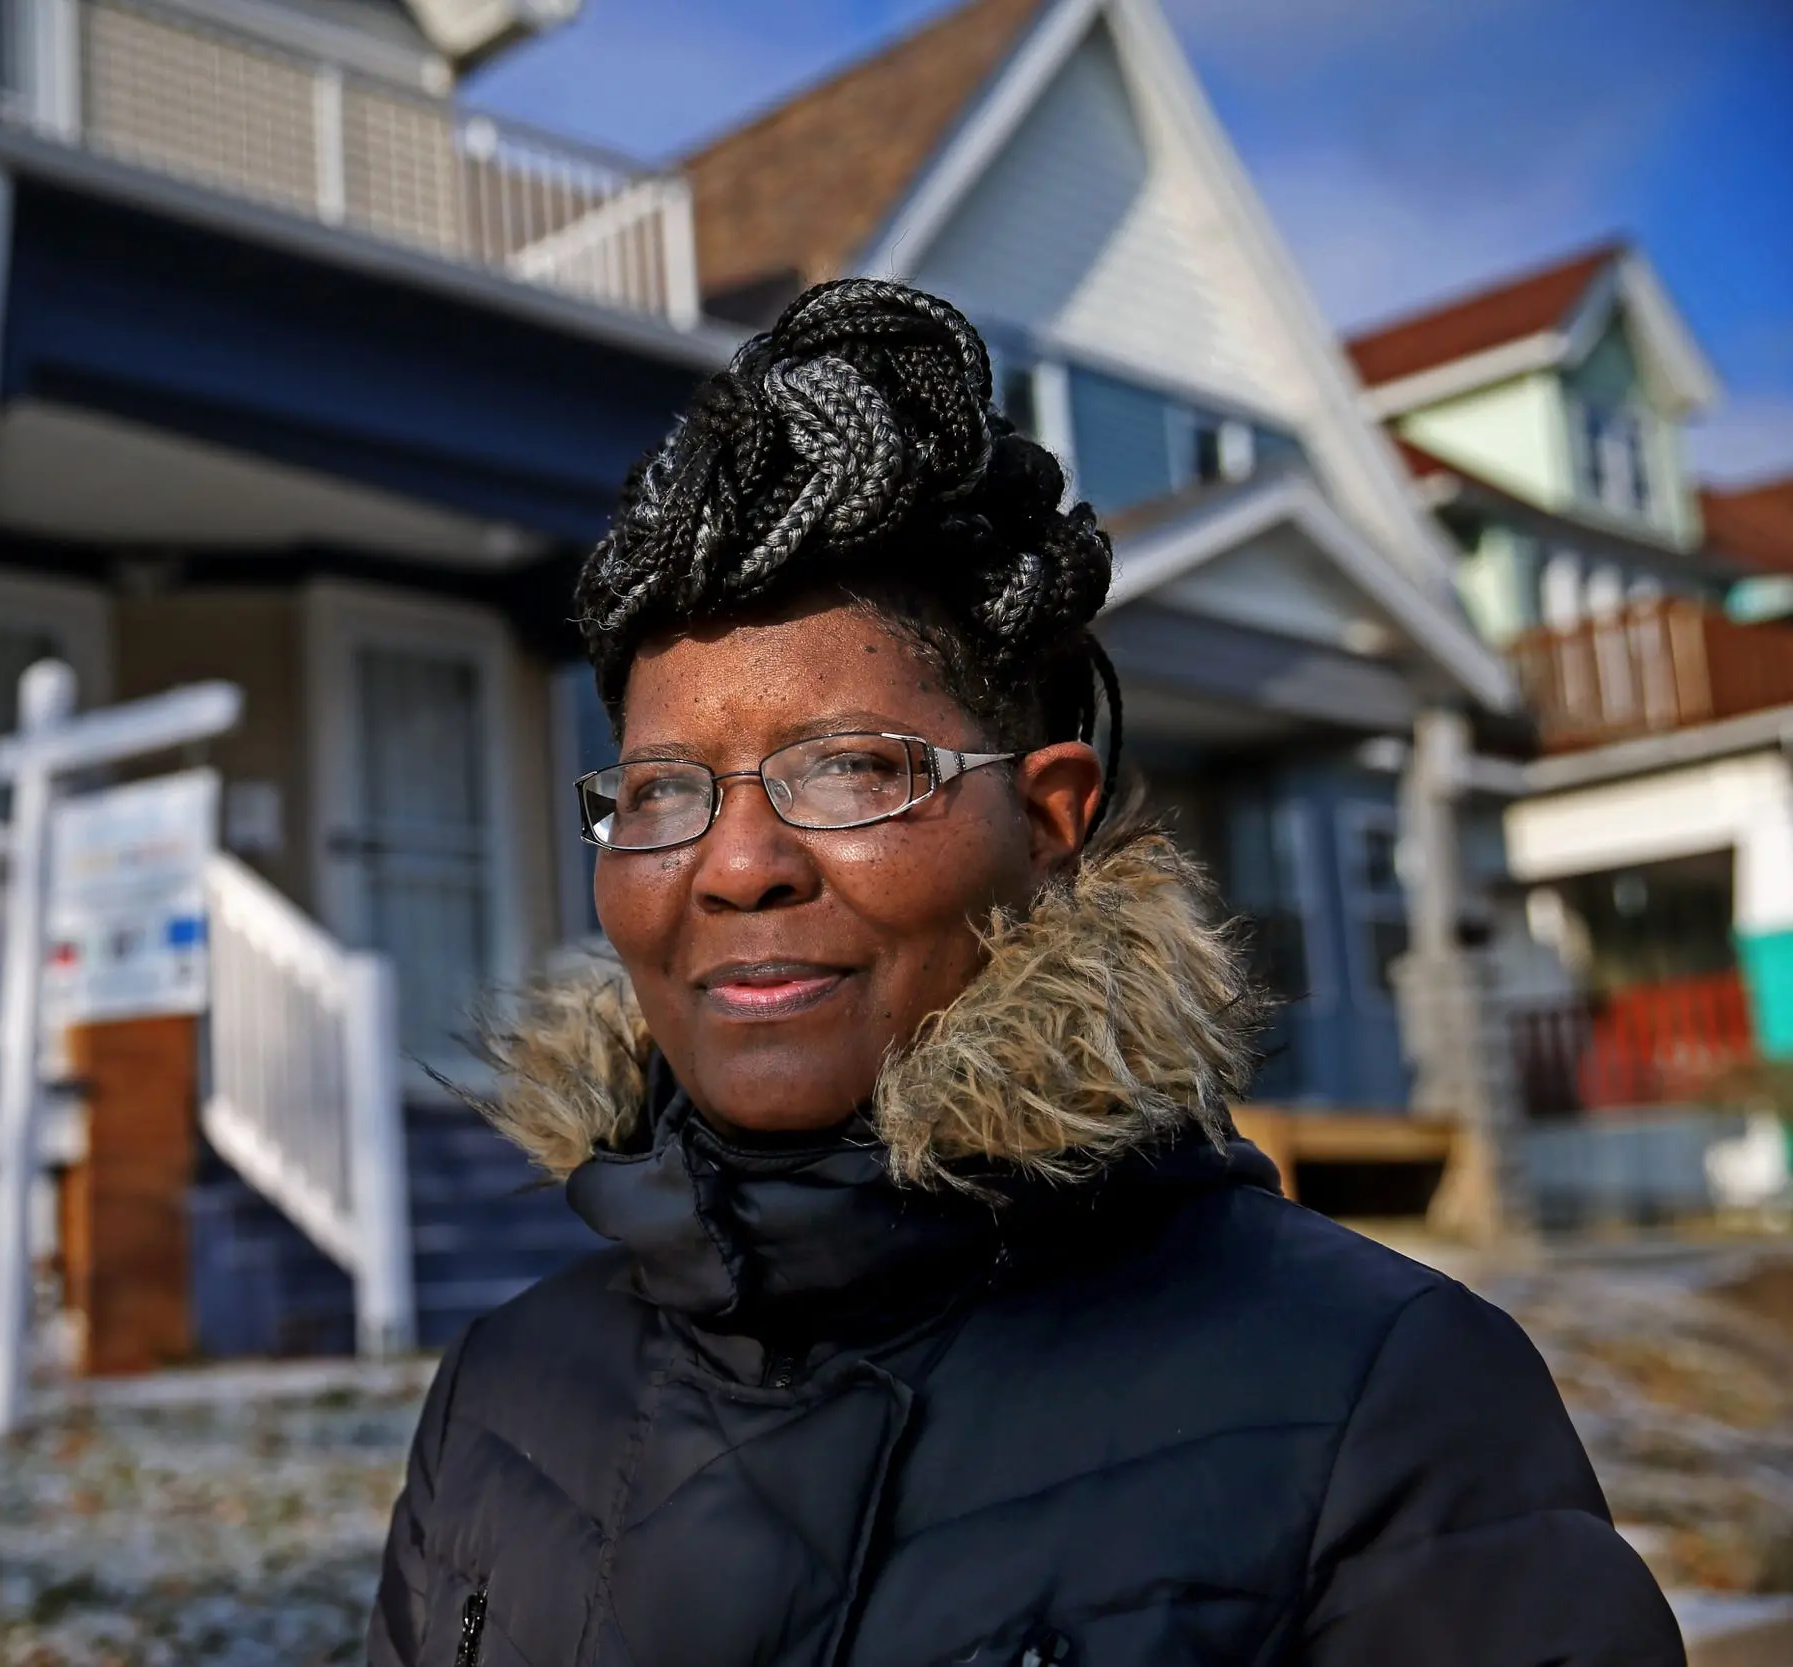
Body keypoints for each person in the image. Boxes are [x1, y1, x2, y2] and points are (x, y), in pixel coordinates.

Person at [365, 280, 1682, 1667]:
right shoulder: (505, 1397)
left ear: (1048, 823)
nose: (737, 864)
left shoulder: (1377, 1401)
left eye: (851, 769)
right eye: (657, 790)